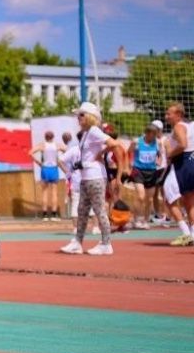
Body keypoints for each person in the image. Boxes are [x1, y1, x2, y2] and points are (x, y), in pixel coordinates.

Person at [59, 102, 125, 256]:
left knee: (99, 210)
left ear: (90, 117)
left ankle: (106, 243)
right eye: (78, 115)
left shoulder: (94, 130)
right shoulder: (87, 133)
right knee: (82, 211)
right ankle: (77, 242)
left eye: (81, 115)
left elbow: (115, 143)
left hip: (95, 177)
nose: (78, 118)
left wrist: (101, 154)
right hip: (86, 177)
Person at [164, 102, 194, 245]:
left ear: (179, 115)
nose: (166, 116)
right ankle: (192, 234)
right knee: (189, 201)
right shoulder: (190, 126)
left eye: (169, 113)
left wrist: (170, 153)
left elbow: (183, 144)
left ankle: (186, 233)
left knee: (169, 198)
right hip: (190, 161)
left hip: (183, 163)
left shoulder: (179, 126)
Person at [127, 123, 164, 229]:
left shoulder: (157, 143)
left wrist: (159, 161)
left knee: (149, 199)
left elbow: (160, 154)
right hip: (138, 170)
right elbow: (128, 152)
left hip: (151, 172)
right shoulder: (137, 142)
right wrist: (129, 164)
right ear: (147, 133)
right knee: (141, 196)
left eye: (155, 135)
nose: (153, 137)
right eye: (152, 134)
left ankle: (145, 220)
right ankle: (136, 219)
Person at [30, 130, 64, 221]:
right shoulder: (57, 145)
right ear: (53, 137)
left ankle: (45, 215)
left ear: (45, 137)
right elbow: (66, 150)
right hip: (54, 168)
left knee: (44, 192)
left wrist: (38, 163)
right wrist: (60, 159)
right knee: (54, 193)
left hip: (45, 168)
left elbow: (30, 153)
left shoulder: (42, 145)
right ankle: (54, 215)